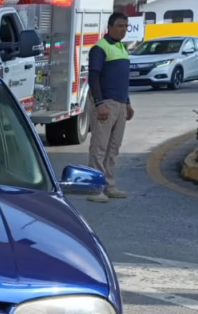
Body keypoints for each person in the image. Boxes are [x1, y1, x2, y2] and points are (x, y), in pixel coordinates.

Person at [86, 13, 134, 203]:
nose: (123, 29)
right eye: (120, 26)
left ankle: (109, 186)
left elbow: (123, 80)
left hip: (120, 104)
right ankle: (93, 188)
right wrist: (99, 103)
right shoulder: (100, 48)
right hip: (106, 104)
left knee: (113, 148)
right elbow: (93, 77)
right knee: (99, 147)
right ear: (110, 27)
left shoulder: (122, 48)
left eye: (125, 26)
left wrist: (128, 103)